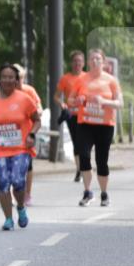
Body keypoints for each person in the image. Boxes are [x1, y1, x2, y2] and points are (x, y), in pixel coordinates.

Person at [0, 64, 41, 231]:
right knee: (3, 183)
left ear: (16, 80)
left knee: (18, 181)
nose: (7, 80)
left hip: (20, 148)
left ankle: (20, 206)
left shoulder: (24, 99)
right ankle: (8, 218)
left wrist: (31, 134)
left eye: (11, 77)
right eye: (4, 77)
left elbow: (37, 120)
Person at [69, 48, 122, 207]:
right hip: (85, 123)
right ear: (88, 62)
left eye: (98, 59)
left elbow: (120, 103)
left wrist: (104, 102)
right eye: (92, 59)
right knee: (84, 155)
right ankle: (87, 192)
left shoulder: (111, 81)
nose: (95, 61)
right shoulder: (81, 79)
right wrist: (77, 101)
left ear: (103, 62)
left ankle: (104, 193)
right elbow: (70, 100)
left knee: (101, 161)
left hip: (104, 125)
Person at [55, 50, 86, 182]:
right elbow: (56, 96)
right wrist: (62, 104)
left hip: (86, 115)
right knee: (77, 142)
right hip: (72, 115)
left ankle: (85, 167)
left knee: (86, 142)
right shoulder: (65, 78)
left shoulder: (87, 77)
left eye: (79, 61)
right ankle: (79, 169)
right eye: (75, 61)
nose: (77, 64)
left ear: (83, 63)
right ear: (71, 63)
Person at [13, 64, 42, 205]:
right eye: (14, 78)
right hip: (11, 132)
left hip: (28, 131)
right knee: (12, 163)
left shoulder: (29, 91)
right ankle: (16, 192)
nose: (17, 81)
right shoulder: (6, 92)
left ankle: (27, 194)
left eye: (20, 78)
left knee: (27, 164)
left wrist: (36, 112)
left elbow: (39, 108)